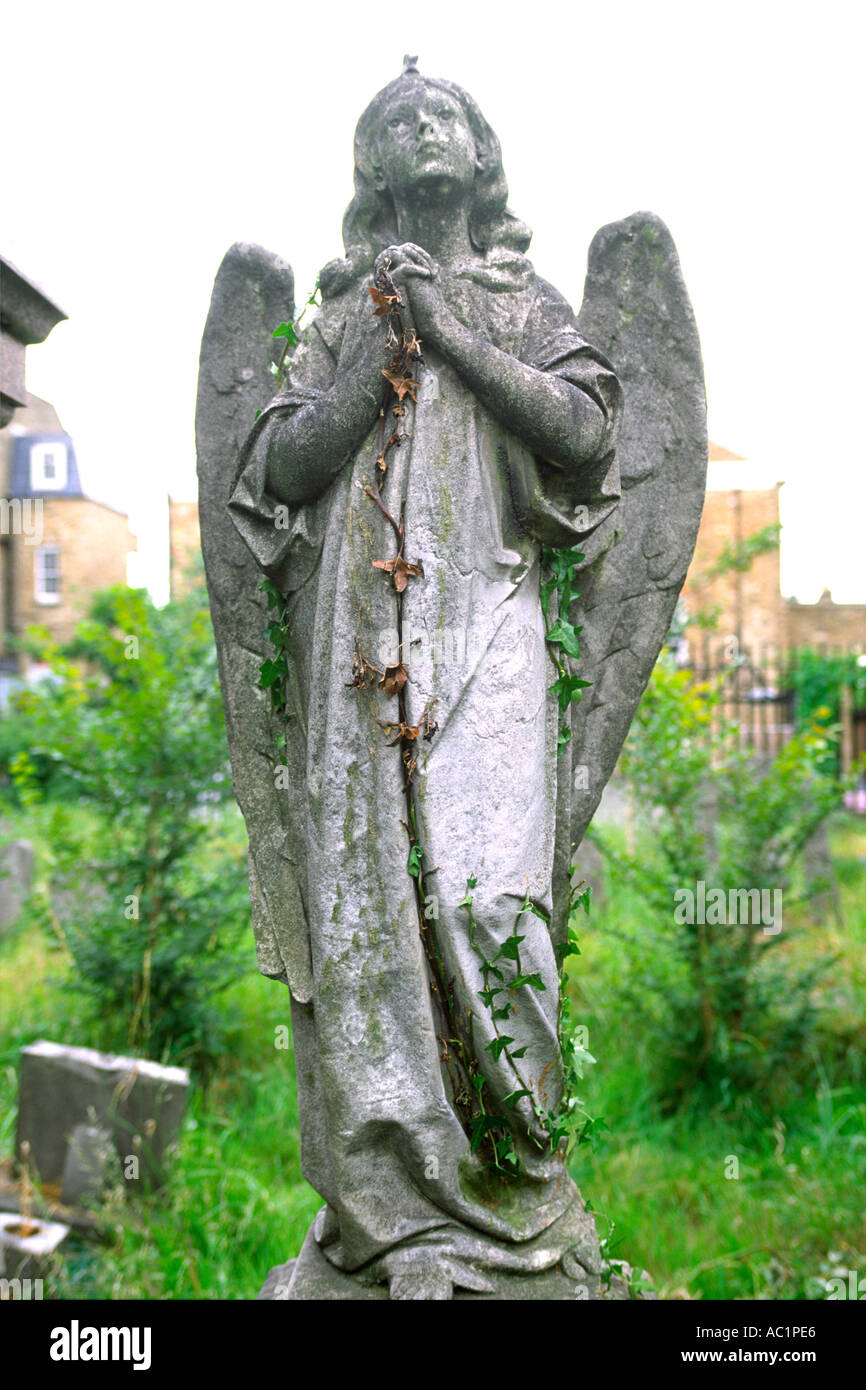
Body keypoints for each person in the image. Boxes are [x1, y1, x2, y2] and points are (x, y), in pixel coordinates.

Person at [229, 59, 622, 1299]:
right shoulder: (340, 315)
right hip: (357, 653)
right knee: (361, 927)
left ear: (477, 153)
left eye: (439, 112)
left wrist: (446, 334)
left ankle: (514, 1203)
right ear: (372, 169)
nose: (417, 124)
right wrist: (374, 356)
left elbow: (586, 433)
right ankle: (392, 1220)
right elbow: (279, 466)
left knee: (494, 904)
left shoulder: (519, 302)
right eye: (392, 120)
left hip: (488, 632)